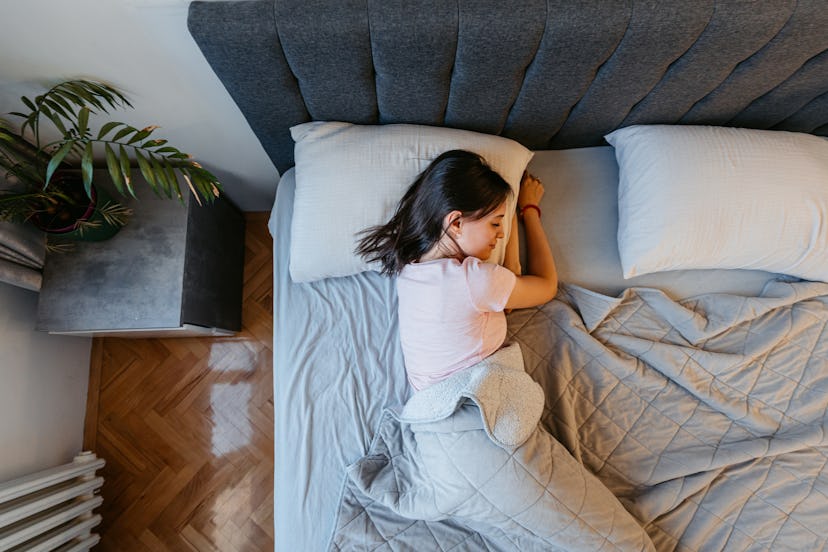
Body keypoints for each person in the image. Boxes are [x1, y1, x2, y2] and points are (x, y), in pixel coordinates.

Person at [357, 150, 558, 391]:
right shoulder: (476, 281)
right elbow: (547, 286)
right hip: (468, 398)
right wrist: (530, 210)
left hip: (430, 401)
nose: (501, 234)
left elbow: (506, 290)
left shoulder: (410, 270)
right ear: (456, 223)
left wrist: (511, 213)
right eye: (495, 223)